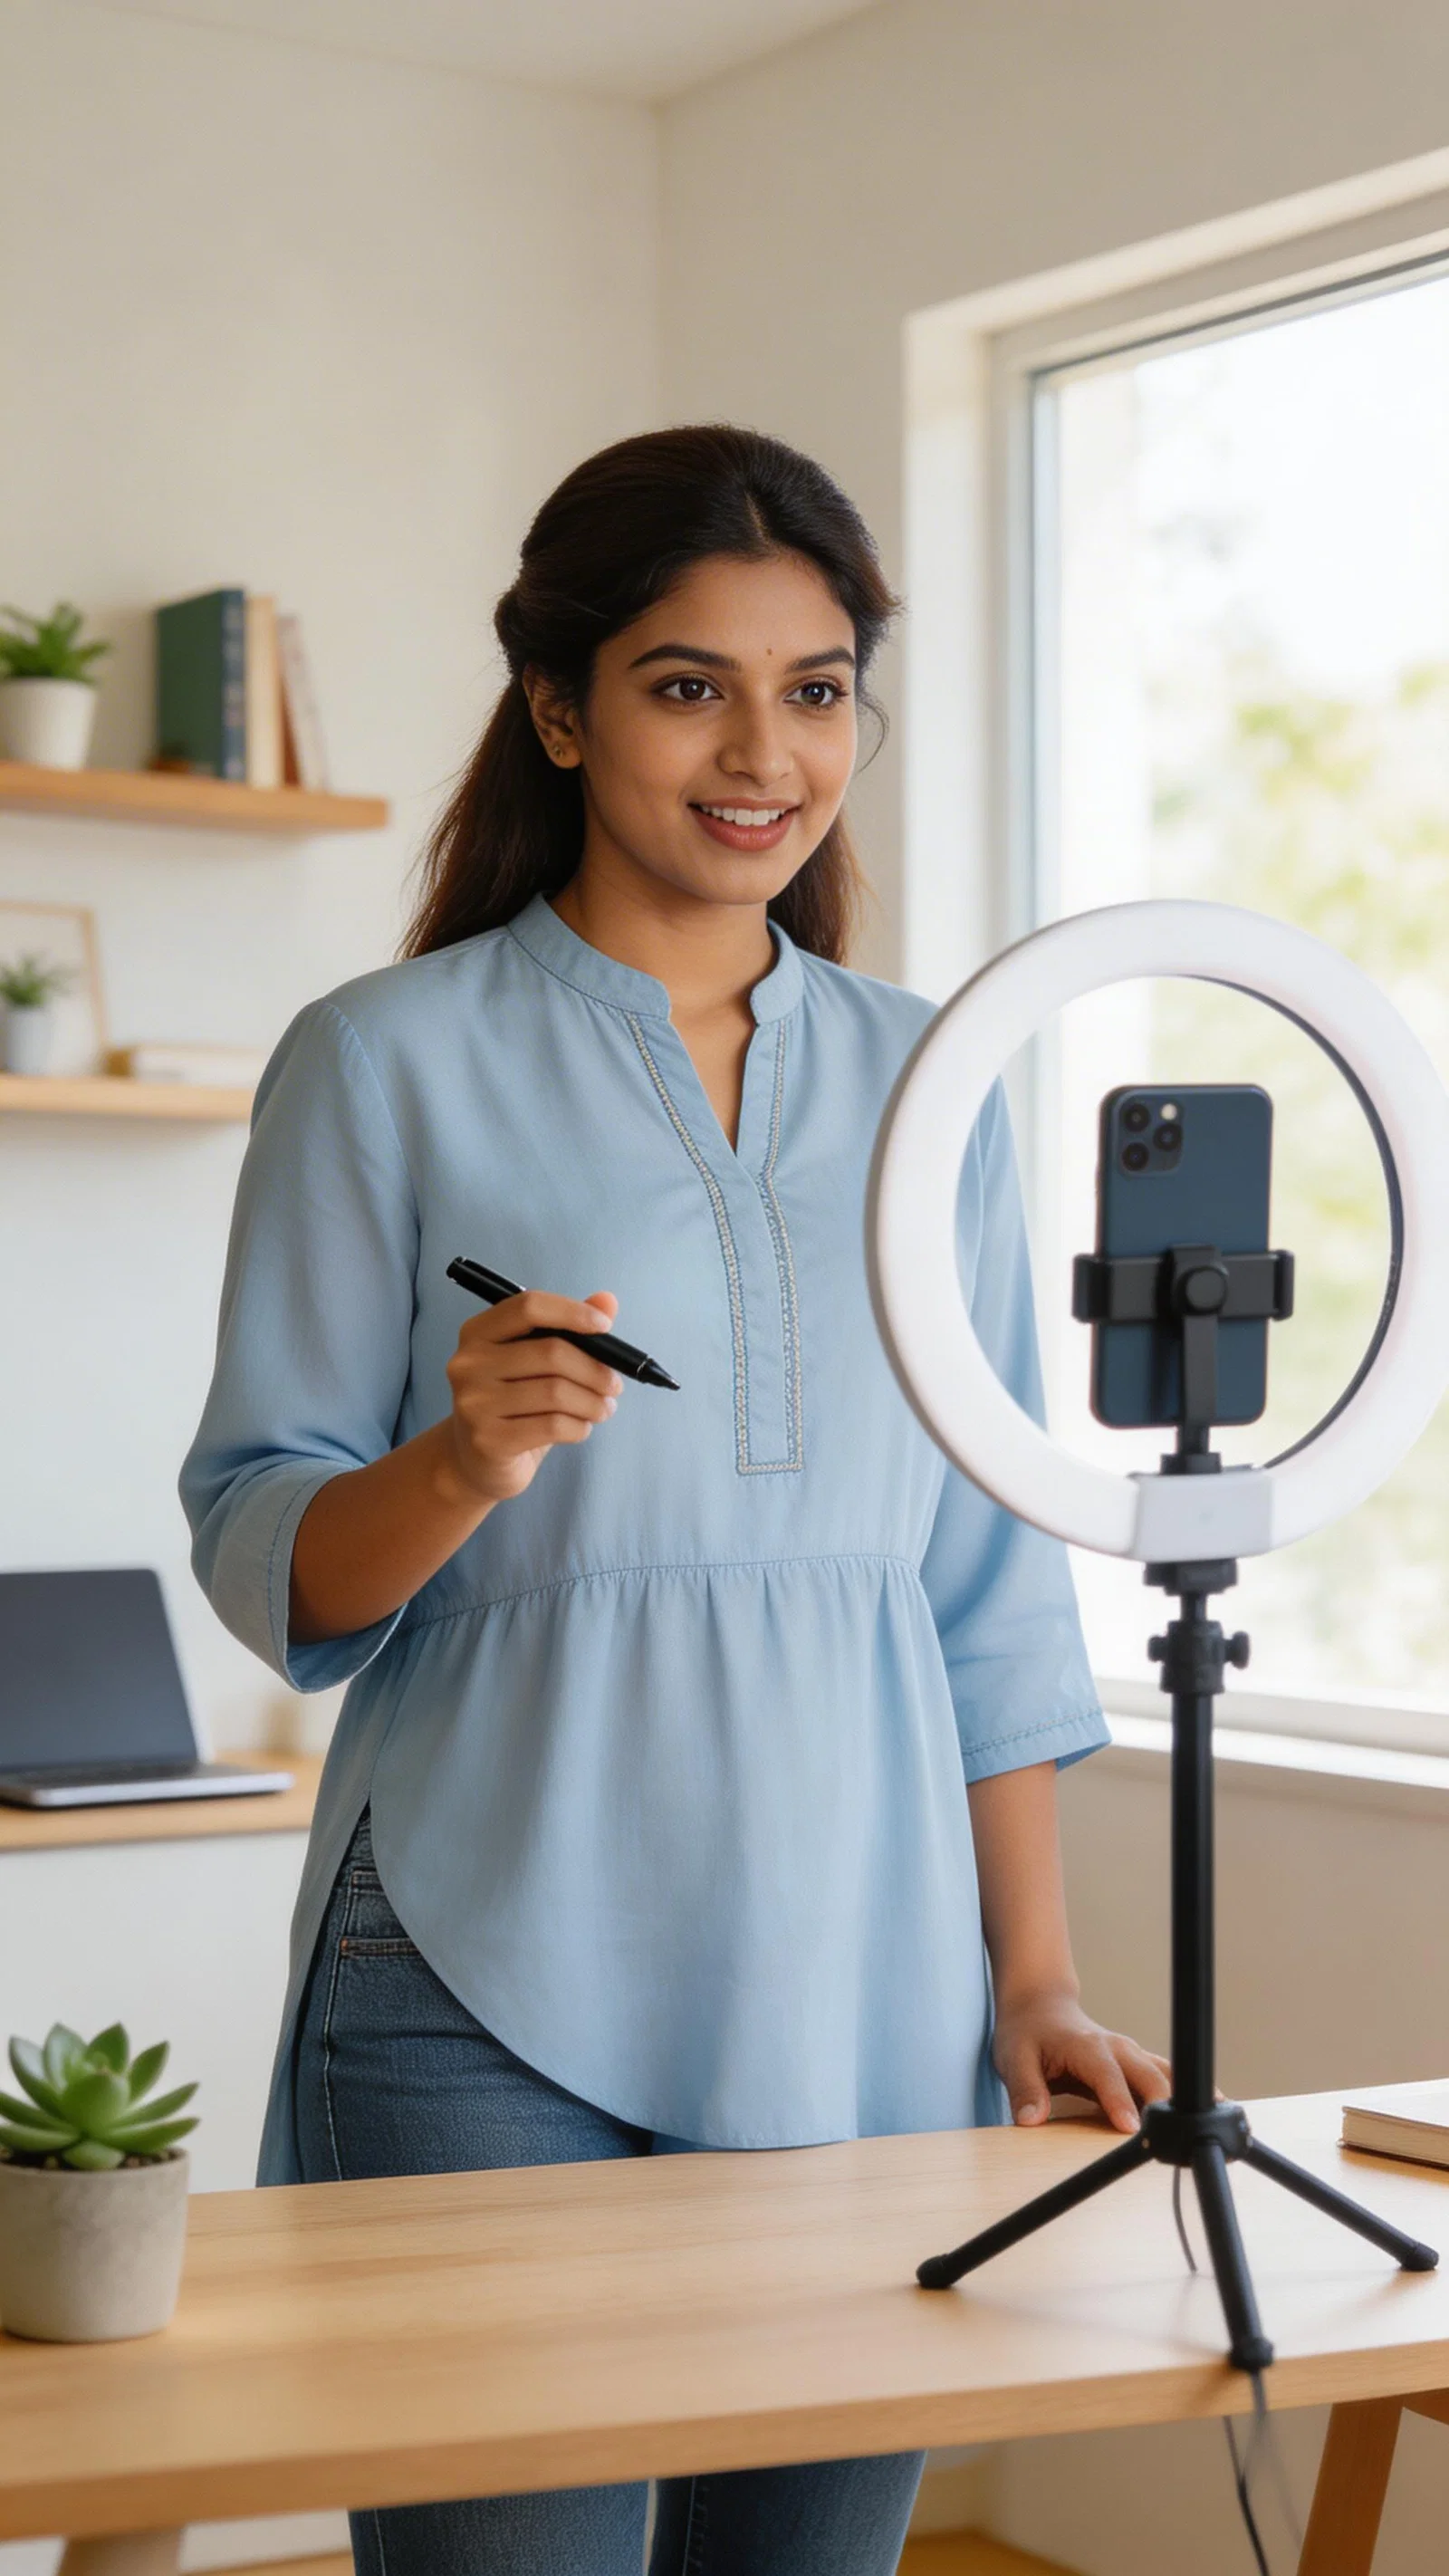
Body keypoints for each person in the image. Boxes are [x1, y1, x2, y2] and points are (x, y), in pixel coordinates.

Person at [182, 424, 1169, 2576]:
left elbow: (984, 1580)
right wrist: (461, 1457)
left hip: (859, 1979)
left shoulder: (928, 1080)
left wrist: (1030, 1979)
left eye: (813, 690)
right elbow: (271, 1556)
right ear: (559, 708)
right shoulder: (380, 1056)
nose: (760, 753)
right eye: (685, 684)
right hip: (474, 1972)